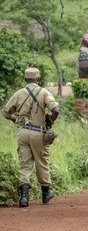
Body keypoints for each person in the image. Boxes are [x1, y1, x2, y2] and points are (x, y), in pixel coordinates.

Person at [2, 68, 59, 207]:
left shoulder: (19, 93)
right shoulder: (44, 92)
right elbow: (56, 110)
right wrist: (51, 120)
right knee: (42, 162)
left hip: (22, 132)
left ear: (25, 79)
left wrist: (16, 119)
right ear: (38, 79)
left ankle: (24, 198)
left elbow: (5, 113)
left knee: (24, 163)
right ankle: (45, 195)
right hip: (38, 132)